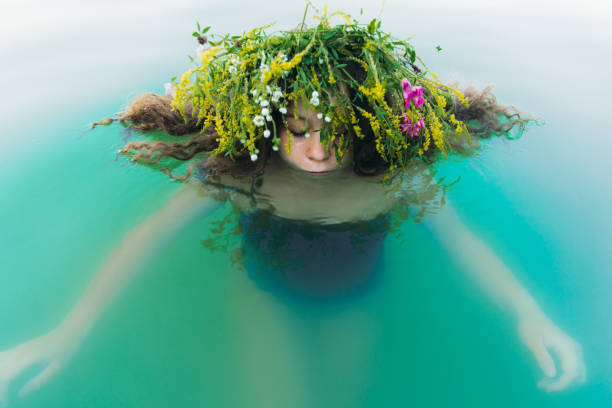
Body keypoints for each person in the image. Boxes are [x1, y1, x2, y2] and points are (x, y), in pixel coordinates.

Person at [0, 7, 586, 406]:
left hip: (359, 292)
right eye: (299, 128)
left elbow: (465, 245)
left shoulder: (392, 178)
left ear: (363, 124)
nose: (318, 146)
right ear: (272, 127)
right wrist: (65, 332)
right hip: (267, 293)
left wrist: (529, 315)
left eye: (335, 127)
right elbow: (142, 242)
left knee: (341, 397)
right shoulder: (241, 177)